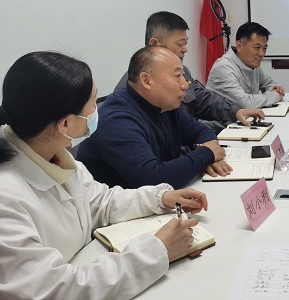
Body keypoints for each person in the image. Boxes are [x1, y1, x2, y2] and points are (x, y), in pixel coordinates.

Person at [0, 51, 209, 299]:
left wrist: (159, 198)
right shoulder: (7, 198)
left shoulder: (54, 155)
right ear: (65, 124)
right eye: (93, 104)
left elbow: (99, 201)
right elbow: (55, 290)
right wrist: (157, 250)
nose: (96, 111)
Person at [78, 46, 232, 189]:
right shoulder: (117, 121)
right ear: (146, 80)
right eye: (177, 76)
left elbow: (202, 132)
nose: (185, 84)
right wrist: (206, 154)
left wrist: (208, 158)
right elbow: (153, 179)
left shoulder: (165, 105)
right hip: (118, 207)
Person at [114, 11, 264, 132]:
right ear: (155, 44)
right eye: (180, 44)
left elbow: (202, 99)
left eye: (185, 43)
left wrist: (235, 111)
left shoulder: (183, 71)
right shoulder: (135, 86)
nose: (185, 49)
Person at [206, 21, 285, 109]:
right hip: (222, 118)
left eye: (264, 48)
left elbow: (269, 83)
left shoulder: (253, 65)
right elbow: (246, 104)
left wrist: (275, 89)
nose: (262, 53)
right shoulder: (223, 67)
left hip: (246, 116)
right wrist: (275, 96)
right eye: (257, 48)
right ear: (239, 46)